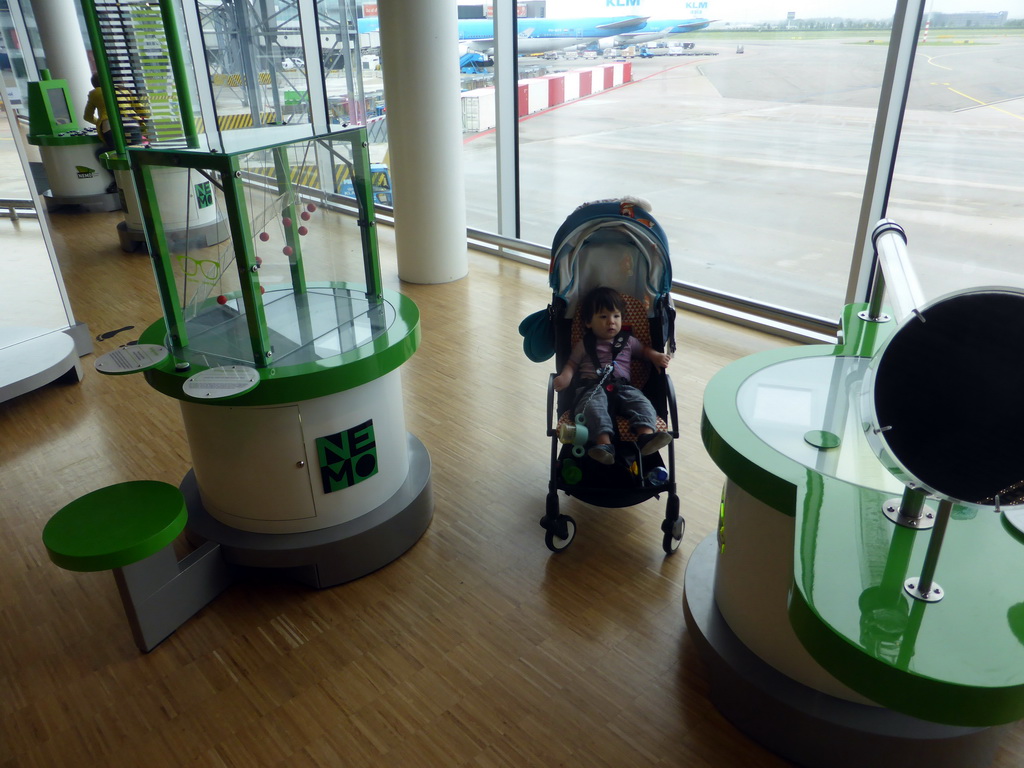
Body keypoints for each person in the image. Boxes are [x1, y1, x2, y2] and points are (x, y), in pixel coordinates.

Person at [553, 286, 673, 465]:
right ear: (588, 322)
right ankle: (603, 445)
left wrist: (656, 356)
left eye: (616, 316)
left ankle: (646, 437)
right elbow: (572, 364)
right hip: (591, 389)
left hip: (623, 387)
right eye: (603, 317)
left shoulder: (628, 341)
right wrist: (565, 376)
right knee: (594, 409)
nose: (611, 322)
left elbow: (644, 351)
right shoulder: (584, 344)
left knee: (642, 403)